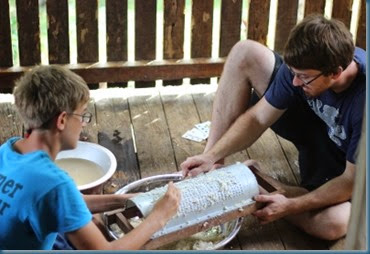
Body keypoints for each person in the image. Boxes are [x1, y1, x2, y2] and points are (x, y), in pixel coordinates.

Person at [181, 14, 365, 241]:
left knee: (334, 224)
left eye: (303, 77)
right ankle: (213, 172)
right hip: (319, 130)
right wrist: (212, 155)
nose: (295, 82)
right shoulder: (311, 63)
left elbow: (350, 182)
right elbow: (258, 118)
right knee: (245, 51)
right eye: (293, 74)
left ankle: (252, 182)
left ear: (336, 72)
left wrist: (291, 206)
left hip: (348, 167)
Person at [0, 65, 181, 250]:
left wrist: (127, 200)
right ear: (62, 120)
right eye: (82, 114)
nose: (84, 124)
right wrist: (159, 217)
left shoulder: (8, 151)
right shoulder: (54, 184)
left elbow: (68, 202)